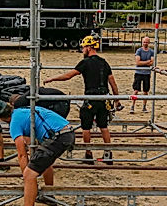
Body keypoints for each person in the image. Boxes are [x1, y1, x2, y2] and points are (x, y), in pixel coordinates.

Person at [0, 97, 77, 206]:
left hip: (57, 137)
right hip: (67, 131)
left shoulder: (14, 123)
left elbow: (21, 154)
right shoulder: (23, 110)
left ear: (1, 118)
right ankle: (49, 196)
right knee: (44, 161)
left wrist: (26, 177)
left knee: (30, 174)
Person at [43, 34, 119, 165]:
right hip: (104, 99)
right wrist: (117, 99)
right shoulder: (104, 63)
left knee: (86, 127)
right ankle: (108, 154)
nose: (82, 50)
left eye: (84, 47)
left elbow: (69, 76)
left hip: (90, 98)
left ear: (89, 47)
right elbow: (112, 82)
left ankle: (88, 155)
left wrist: (52, 78)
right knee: (104, 126)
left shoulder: (85, 62)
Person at [130, 36, 155, 113]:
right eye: (144, 42)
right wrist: (147, 62)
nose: (145, 43)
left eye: (147, 42)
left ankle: (144, 107)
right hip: (138, 73)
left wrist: (143, 62)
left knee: (145, 91)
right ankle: (132, 106)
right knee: (136, 90)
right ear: (142, 42)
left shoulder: (151, 51)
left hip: (147, 73)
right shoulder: (139, 51)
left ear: (149, 43)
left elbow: (152, 62)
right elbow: (138, 62)